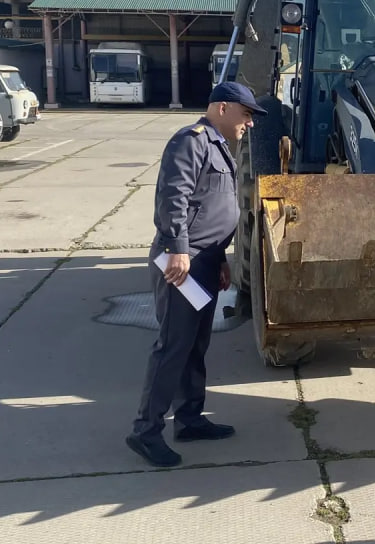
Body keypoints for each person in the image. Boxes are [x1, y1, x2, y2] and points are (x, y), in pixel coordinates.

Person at [127, 82, 265, 468]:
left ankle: (189, 418)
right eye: (246, 113)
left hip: (204, 262)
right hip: (182, 264)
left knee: (195, 345)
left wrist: (220, 258)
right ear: (223, 108)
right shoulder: (191, 141)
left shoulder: (219, 147)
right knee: (173, 346)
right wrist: (176, 248)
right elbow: (173, 197)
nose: (249, 123)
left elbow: (211, 207)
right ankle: (145, 431)